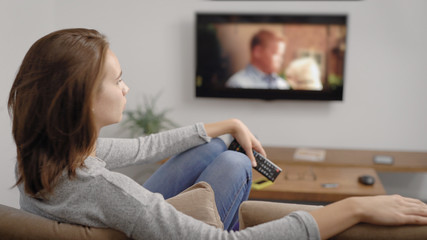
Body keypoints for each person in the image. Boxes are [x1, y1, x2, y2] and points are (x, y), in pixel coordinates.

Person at [8, 28, 427, 240]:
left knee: (217, 145)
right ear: (81, 99)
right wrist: (352, 207)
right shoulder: (108, 189)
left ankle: (225, 140)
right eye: (118, 80)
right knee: (231, 162)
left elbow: (143, 146)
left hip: (118, 216)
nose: (126, 88)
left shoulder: (43, 154)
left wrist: (229, 125)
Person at [225, 29, 290, 89]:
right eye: (275, 53)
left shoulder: (283, 85)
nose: (280, 60)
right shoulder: (237, 84)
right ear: (257, 52)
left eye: (281, 55)